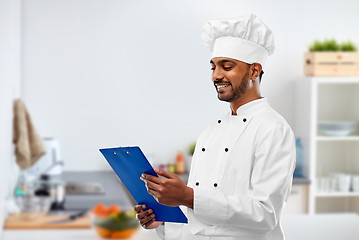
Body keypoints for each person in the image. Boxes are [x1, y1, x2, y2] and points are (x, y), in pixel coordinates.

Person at [134, 14, 296, 240]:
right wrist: (163, 221)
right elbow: (201, 221)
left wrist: (188, 196)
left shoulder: (273, 129)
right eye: (213, 67)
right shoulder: (210, 132)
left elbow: (265, 214)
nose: (216, 76)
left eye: (227, 66)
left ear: (254, 71)